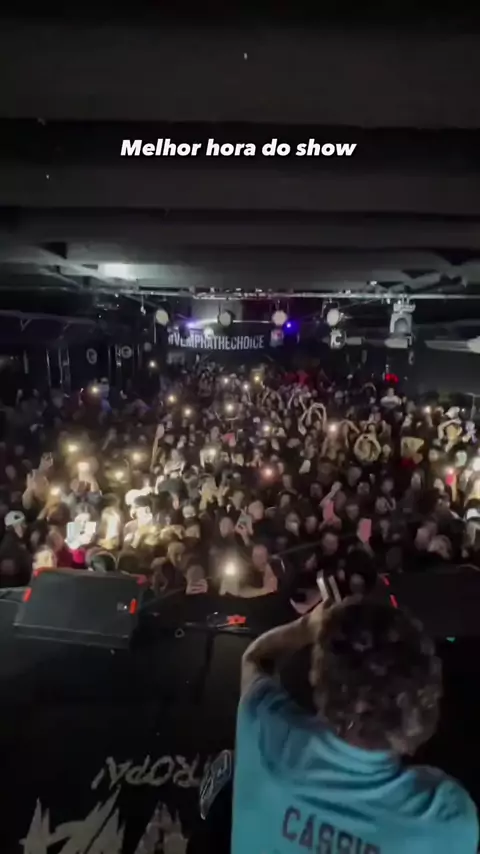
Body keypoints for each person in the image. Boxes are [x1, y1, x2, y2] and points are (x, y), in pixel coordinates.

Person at [232, 598, 479, 854]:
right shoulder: (444, 818)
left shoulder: (265, 730)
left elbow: (257, 658)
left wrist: (308, 627)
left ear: (323, 679)